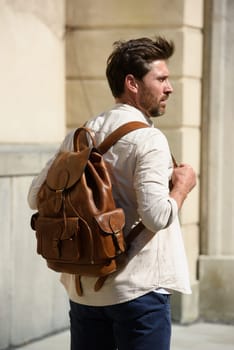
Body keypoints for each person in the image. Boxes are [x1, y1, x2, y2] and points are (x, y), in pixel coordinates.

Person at [28, 36, 196, 350]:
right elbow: (157, 217)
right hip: (138, 291)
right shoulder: (149, 139)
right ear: (132, 83)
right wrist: (182, 188)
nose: (169, 87)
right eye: (161, 79)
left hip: (84, 291)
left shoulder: (82, 135)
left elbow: (33, 196)